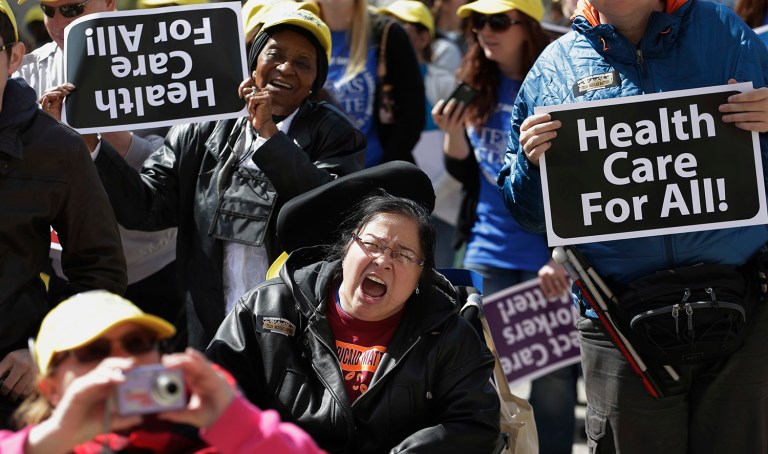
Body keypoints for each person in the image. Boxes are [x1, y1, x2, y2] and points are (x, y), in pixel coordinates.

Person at [498, 0, 768, 452]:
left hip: (740, 308)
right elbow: (528, 215)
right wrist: (530, 166)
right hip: (618, 323)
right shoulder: (554, 68)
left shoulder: (726, 32)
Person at [84, 8, 365, 351]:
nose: (286, 68)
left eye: (303, 63)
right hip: (211, 324)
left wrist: (269, 137)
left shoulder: (335, 133)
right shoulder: (201, 126)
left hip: (294, 326)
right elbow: (147, 207)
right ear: (253, 62)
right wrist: (94, 147)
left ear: (314, 82)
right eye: (275, 55)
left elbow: (332, 214)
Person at [206, 162, 501, 453]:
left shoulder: (447, 332)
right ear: (346, 249)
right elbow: (211, 397)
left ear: (420, 276)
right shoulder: (266, 308)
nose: (384, 260)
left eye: (404, 254)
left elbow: (474, 424)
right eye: (372, 244)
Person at [431, 1, 577, 452]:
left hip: (544, 260)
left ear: (528, 27)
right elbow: (467, 174)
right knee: (480, 374)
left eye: (497, 22)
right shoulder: (475, 81)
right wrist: (452, 134)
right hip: (486, 250)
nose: (484, 33)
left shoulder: (559, 81)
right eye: (476, 24)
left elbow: (576, 180)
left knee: (553, 385)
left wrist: (562, 255)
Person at [14, 0, 181, 329]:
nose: (59, 23)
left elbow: (176, 171)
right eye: (49, 11)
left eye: (73, 9)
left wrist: (105, 132)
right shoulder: (29, 72)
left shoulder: (162, 57)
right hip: (71, 274)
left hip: (157, 269)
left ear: (109, 2)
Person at [0, 0, 126, 429]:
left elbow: (102, 273)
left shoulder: (57, 148)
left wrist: (48, 351)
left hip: (12, 392)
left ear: (15, 56)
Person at [0, 290, 325, 453]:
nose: (124, 362)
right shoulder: (40, 444)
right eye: (92, 352)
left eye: (138, 343)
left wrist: (239, 425)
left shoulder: (214, 431)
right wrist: (52, 440)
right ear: (51, 387)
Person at [377, 0, 461, 269]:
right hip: (391, 203)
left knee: (440, 281)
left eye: (401, 27)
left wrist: (431, 193)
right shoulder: (377, 81)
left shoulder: (445, 83)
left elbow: (464, 149)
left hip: (441, 210)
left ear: (424, 37)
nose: (388, 34)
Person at [316, 0, 425, 167]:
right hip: (314, 178)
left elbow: (413, 115)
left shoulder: (388, 34)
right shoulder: (296, 29)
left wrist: (385, 171)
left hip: (376, 175)